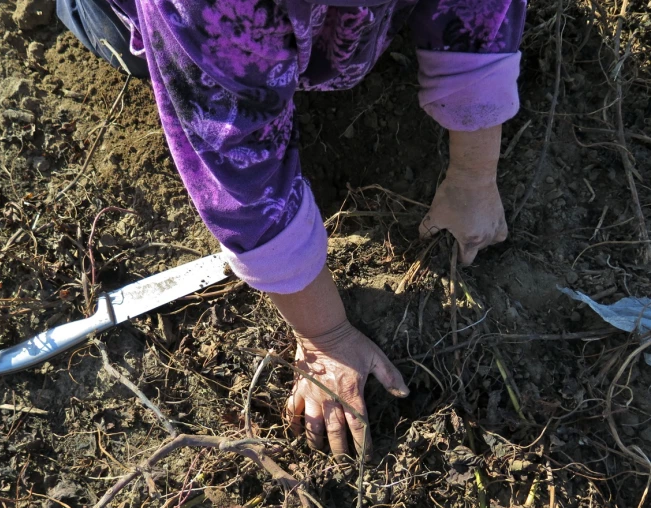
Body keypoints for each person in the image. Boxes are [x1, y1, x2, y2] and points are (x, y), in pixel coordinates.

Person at [56, 0, 526, 460]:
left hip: (334, 22)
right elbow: (238, 175)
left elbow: (480, 16)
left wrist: (473, 176)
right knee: (120, 35)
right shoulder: (200, 9)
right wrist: (327, 337)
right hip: (188, 27)